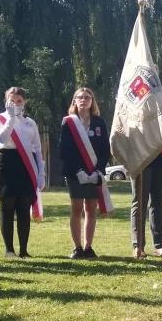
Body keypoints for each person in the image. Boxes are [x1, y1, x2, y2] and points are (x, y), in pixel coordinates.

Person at [0, 87, 45, 258]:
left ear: (24, 102)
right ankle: (9, 249)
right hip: (6, 163)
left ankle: (24, 249)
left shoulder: (30, 123)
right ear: (6, 101)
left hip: (26, 165)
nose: (16, 104)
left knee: (24, 207)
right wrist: (11, 119)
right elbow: (1, 138)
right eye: (12, 101)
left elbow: (37, 150)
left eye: (19, 101)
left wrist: (41, 173)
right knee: (7, 207)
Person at [60, 87, 110, 258]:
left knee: (91, 208)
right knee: (76, 208)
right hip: (76, 174)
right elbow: (65, 150)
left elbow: (105, 150)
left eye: (87, 97)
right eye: (79, 97)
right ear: (74, 101)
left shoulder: (99, 122)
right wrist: (78, 170)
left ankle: (88, 247)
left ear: (92, 101)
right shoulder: (68, 122)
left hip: (94, 173)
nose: (83, 100)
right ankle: (77, 247)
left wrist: (98, 171)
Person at [131, 92, 162, 258]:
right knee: (139, 202)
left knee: (158, 204)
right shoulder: (133, 101)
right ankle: (138, 245)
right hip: (141, 159)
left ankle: (159, 245)